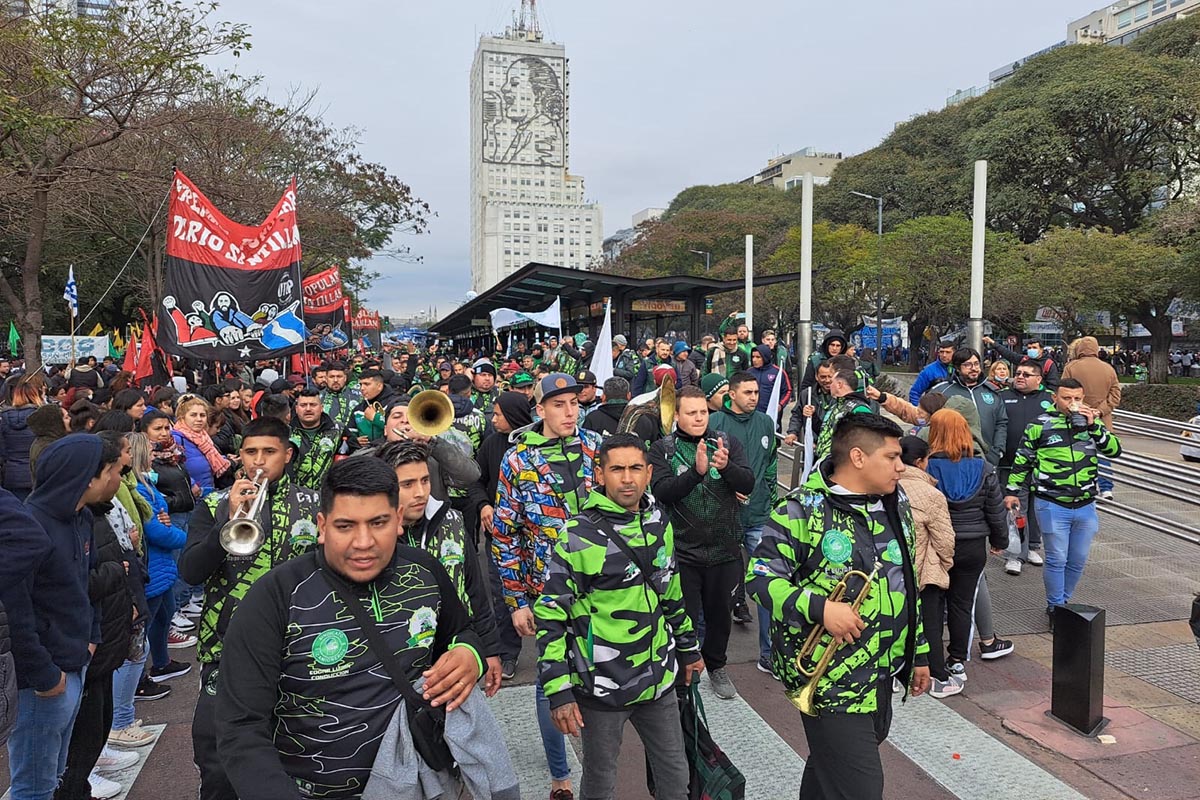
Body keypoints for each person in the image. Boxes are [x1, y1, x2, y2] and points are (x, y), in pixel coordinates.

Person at [214, 457, 492, 800]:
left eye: (378, 522)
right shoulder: (275, 596)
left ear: (398, 520)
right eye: (345, 526)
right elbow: (240, 726)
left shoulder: (426, 572)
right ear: (322, 525)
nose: (363, 542)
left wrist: (470, 654)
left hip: (423, 784)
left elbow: (463, 632)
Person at [747, 414, 931, 800]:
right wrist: (820, 609)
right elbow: (759, 579)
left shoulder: (896, 504)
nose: (902, 466)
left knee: (830, 768)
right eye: (893, 457)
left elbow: (908, 585)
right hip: (832, 682)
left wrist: (919, 654)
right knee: (861, 789)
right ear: (859, 457)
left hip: (881, 673)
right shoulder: (801, 509)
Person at [536, 433, 703, 800]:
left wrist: (689, 649)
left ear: (648, 473)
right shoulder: (577, 535)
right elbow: (550, 616)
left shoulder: (660, 522)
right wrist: (558, 690)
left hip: (658, 679)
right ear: (599, 474)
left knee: (676, 778)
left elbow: (670, 591)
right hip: (601, 687)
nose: (627, 478)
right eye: (617, 469)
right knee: (600, 781)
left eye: (635, 469)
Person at [177, 417, 321, 800]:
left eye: (269, 452)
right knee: (219, 761)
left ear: (287, 455)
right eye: (250, 452)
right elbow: (190, 571)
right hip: (226, 650)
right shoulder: (211, 504)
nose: (259, 461)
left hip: (297, 649)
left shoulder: (315, 503)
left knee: (296, 756)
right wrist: (226, 519)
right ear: (239, 455)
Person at [493, 373, 601, 800]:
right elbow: (505, 536)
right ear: (540, 410)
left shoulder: (597, 447)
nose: (569, 412)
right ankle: (560, 773)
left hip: (603, 588)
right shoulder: (517, 460)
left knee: (600, 676)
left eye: (574, 402)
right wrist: (518, 600)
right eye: (559, 405)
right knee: (549, 681)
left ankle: (600, 762)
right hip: (547, 591)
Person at [2, 434, 118, 800]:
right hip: (44, 680)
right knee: (32, 786)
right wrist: (44, 675)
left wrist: (92, 638)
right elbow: (16, 612)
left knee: (53, 775)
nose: (118, 476)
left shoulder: (81, 517)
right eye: (112, 470)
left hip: (75, 661)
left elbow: (87, 584)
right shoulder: (29, 525)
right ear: (88, 477)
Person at [649, 386, 754, 700]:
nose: (698, 418)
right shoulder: (663, 448)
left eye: (703, 412)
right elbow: (663, 491)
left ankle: (717, 666)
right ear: (677, 415)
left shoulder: (726, 441)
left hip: (725, 550)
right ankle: (684, 670)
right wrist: (696, 472)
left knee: (720, 615)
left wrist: (727, 467)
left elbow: (748, 482)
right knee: (684, 615)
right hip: (683, 551)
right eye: (691, 413)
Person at [374, 439, 502, 695]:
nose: (420, 492)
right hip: (396, 669)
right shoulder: (372, 536)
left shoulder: (452, 521)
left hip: (457, 657)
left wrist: (490, 649)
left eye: (424, 480)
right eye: (407, 484)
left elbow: (474, 591)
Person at [1005, 378, 1122, 629]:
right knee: (1057, 558)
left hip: (1085, 504)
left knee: (1078, 558)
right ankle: (1055, 607)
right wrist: (1012, 491)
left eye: (1077, 398)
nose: (1073, 403)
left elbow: (1114, 451)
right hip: (1051, 502)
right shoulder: (1039, 425)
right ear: (1055, 398)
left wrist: (1095, 427)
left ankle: (1065, 603)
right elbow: (1022, 460)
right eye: (1067, 398)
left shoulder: (1092, 423)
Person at [924, 409, 1011, 685]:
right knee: (962, 604)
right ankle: (958, 660)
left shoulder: (926, 468)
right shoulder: (984, 468)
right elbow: (995, 511)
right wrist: (1000, 541)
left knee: (933, 604)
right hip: (973, 546)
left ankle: (933, 662)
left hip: (937, 547)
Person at [710, 372, 778, 675]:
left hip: (759, 516)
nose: (754, 397)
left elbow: (772, 465)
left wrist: (770, 502)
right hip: (723, 518)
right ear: (732, 394)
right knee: (718, 588)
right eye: (747, 392)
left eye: (756, 392)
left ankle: (769, 653)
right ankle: (712, 658)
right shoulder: (714, 424)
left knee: (769, 584)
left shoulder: (765, 423)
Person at [468, 392, 532, 680]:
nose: (493, 420)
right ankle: (507, 653)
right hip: (501, 538)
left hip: (536, 539)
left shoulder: (535, 445)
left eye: (498, 414)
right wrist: (484, 505)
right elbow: (476, 482)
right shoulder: (492, 444)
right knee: (503, 596)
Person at [898, 436, 959, 698]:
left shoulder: (886, 485)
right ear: (922, 462)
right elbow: (945, 540)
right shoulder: (931, 495)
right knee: (930, 624)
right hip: (924, 570)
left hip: (892, 571)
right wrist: (945, 563)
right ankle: (938, 676)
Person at [998, 363, 1051, 574]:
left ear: (1038, 379)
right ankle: (1014, 554)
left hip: (1041, 465)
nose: (1020, 377)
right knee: (1016, 510)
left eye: (1026, 374)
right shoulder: (1003, 396)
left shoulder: (1049, 399)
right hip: (1011, 463)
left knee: (1036, 509)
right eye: (1018, 373)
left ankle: (1032, 546)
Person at [1061, 336, 1121, 501]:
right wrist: (1099, 411)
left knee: (1078, 453)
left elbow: (1064, 391)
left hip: (1077, 418)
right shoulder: (1108, 369)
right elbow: (1115, 395)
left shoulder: (1071, 367)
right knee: (1102, 453)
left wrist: (1083, 409)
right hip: (1102, 419)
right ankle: (1106, 488)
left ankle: (1081, 486)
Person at [929, 348, 1008, 467]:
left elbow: (1001, 422)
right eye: (968, 365)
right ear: (957, 367)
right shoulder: (941, 391)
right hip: (952, 459)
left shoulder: (992, 391)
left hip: (988, 459)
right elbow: (929, 422)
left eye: (976, 364)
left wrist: (998, 451)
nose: (974, 368)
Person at [172, 397, 232, 498]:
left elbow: (208, 458)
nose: (199, 419)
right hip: (191, 497)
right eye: (193, 415)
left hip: (208, 493)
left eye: (202, 415)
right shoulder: (175, 439)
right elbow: (172, 469)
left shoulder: (204, 437)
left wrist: (226, 460)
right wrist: (191, 484)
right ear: (182, 417)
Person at [814, 368, 876, 462]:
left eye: (832, 383)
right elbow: (826, 431)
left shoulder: (859, 408)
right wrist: (813, 416)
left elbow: (866, 441)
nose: (829, 386)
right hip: (825, 463)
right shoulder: (836, 405)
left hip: (841, 465)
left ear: (839, 385)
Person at [0, 373, 46, 501]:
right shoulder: (41, 417)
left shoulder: (4, 418)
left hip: (12, 474)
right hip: (37, 473)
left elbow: (2, 451)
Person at [289, 388, 340, 491]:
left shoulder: (338, 430)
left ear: (321, 408)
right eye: (303, 405)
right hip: (295, 497)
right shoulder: (286, 432)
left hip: (328, 496)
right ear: (296, 409)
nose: (308, 409)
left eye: (313, 405)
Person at [984, 336, 1060, 389]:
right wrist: (993, 343)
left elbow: (1053, 386)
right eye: (1029, 348)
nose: (1031, 350)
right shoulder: (1024, 359)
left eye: (1034, 348)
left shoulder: (1049, 364)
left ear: (1042, 349)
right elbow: (1008, 354)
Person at [798, 329, 848, 394]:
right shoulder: (815, 360)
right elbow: (807, 383)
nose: (834, 348)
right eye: (832, 345)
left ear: (842, 347)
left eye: (838, 345)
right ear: (827, 345)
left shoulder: (846, 362)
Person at [908, 338, 956, 405]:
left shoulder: (960, 369)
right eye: (941, 352)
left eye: (948, 352)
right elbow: (915, 393)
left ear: (954, 353)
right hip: (934, 410)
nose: (944, 355)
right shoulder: (929, 371)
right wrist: (919, 411)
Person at [749, 343, 791, 418]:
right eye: (753, 357)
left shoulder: (778, 372)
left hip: (771, 413)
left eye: (758, 357)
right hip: (752, 414)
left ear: (765, 357)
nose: (754, 360)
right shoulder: (749, 372)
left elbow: (788, 390)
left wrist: (781, 404)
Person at [320, 360, 362, 430]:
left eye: (339, 376)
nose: (335, 380)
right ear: (326, 379)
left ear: (345, 378)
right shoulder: (318, 398)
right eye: (332, 377)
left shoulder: (359, 396)